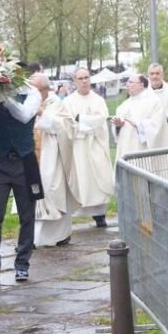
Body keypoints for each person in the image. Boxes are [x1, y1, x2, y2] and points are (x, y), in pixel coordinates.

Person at [0, 73, 48, 285]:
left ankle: (22, 265)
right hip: (0, 161)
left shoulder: (32, 93)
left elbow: (25, 115)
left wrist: (4, 97)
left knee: (27, 216)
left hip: (24, 160)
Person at [60, 67, 114, 228]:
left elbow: (102, 119)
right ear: (75, 81)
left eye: (86, 77)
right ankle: (75, 213)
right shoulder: (68, 101)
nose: (84, 81)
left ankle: (100, 215)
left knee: (98, 179)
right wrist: (83, 124)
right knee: (81, 179)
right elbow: (67, 123)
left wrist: (81, 120)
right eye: (80, 78)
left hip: (95, 144)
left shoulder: (98, 100)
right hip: (78, 146)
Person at [33, 76, 74, 247]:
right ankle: (33, 238)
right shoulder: (29, 102)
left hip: (52, 157)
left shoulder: (56, 103)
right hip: (33, 156)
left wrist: (42, 114)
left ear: (44, 89)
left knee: (52, 193)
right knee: (33, 195)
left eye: (34, 89)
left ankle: (59, 235)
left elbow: (67, 128)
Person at [147, 63, 168, 148]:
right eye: (152, 74)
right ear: (148, 75)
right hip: (150, 136)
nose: (155, 76)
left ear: (162, 75)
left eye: (157, 73)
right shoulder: (144, 94)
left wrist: (165, 118)